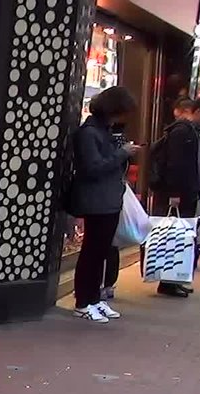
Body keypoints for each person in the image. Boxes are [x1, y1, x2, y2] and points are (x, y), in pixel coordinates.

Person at [67, 86, 137, 323]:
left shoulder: (104, 131)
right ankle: (83, 302)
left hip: (108, 199)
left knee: (101, 252)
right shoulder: (89, 133)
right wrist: (122, 153)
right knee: (92, 252)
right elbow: (93, 167)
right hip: (96, 200)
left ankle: (94, 298)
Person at [150, 95, 200, 297]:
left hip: (188, 192)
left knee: (183, 237)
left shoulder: (192, 132)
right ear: (198, 112)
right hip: (180, 194)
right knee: (175, 237)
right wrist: (174, 193)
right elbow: (176, 164)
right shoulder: (182, 132)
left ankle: (174, 279)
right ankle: (168, 281)